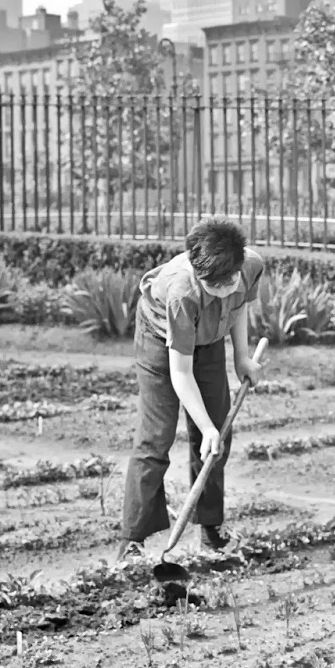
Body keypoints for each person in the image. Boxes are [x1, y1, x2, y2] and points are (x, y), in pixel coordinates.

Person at [118, 216, 265, 559]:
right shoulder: (181, 290)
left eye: (229, 280)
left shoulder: (251, 264)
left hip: (210, 339)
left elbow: (238, 305)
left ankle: (211, 528)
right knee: (155, 439)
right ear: (199, 274)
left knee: (216, 442)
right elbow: (181, 373)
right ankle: (132, 542)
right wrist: (206, 426)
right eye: (214, 284)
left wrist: (241, 358)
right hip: (161, 342)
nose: (225, 288)